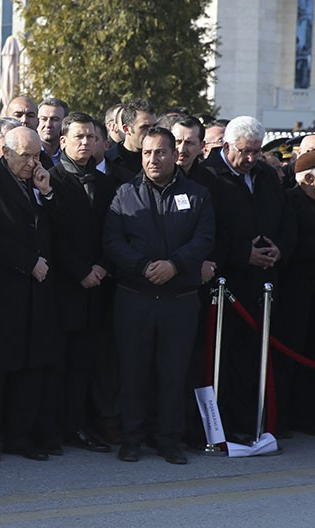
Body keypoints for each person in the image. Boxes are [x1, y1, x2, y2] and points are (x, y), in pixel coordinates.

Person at [105, 127, 214, 465]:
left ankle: (169, 440)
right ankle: (132, 439)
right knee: (133, 372)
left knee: (173, 372)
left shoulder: (197, 194)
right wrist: (143, 266)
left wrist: (175, 265)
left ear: (174, 155)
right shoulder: (124, 193)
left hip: (179, 300)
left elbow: (205, 238)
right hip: (134, 297)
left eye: (161, 152)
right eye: (147, 153)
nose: (153, 159)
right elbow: (112, 241)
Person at [199, 116, 296, 440]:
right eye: (245, 152)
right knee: (229, 361)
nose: (251, 158)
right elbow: (205, 232)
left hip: (265, 284)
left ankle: (261, 423)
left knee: (260, 359)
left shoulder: (266, 175)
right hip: (228, 289)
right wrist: (242, 253)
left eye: (256, 152)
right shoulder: (208, 176)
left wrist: (278, 249)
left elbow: (286, 219)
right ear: (226, 146)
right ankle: (229, 427)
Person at [0, 127, 59, 463]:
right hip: (2, 288)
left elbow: (57, 226)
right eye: (25, 155)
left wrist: (47, 193)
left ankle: (20, 435)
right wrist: (28, 262)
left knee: (29, 366)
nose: (32, 162)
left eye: (37, 155)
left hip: (36, 292)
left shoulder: (39, 180)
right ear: (4, 152)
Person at [43, 113, 116, 453]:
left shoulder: (104, 183)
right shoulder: (51, 179)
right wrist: (81, 271)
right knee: (57, 362)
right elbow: (53, 235)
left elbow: (111, 232)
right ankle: (52, 428)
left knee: (84, 364)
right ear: (64, 141)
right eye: (78, 137)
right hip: (63, 287)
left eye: (90, 137)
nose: (85, 142)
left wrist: (101, 265)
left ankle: (78, 425)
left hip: (96, 286)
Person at [279, 150, 315, 436]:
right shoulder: (289, 202)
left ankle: (311, 415)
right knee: (290, 356)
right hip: (295, 294)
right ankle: (283, 417)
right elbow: (290, 246)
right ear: (309, 177)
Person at [105, 98, 157, 176]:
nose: (151, 131)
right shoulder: (107, 161)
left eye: (154, 126)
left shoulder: (161, 160)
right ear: (126, 129)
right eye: (144, 127)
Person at [37, 97, 69, 166]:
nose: (48, 124)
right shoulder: (27, 151)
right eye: (43, 119)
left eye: (54, 119)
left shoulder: (71, 154)